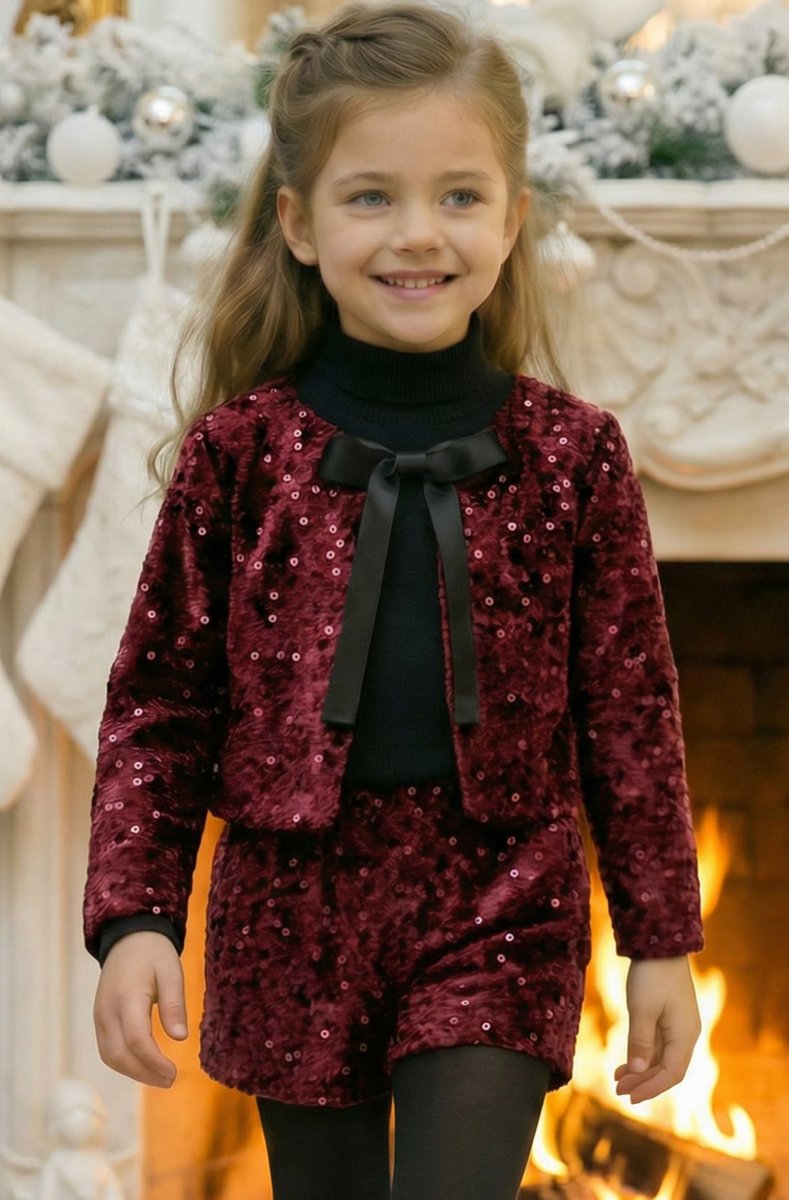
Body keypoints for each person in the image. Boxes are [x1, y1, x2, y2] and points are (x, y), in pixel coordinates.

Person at [84, 4, 704, 1198]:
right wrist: (135, 916)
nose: (419, 232)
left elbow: (632, 713)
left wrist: (662, 938)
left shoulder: (576, 456)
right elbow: (158, 701)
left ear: (512, 219)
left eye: (460, 196)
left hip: (502, 894)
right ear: (298, 223)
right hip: (290, 908)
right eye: (371, 196)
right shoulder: (237, 453)